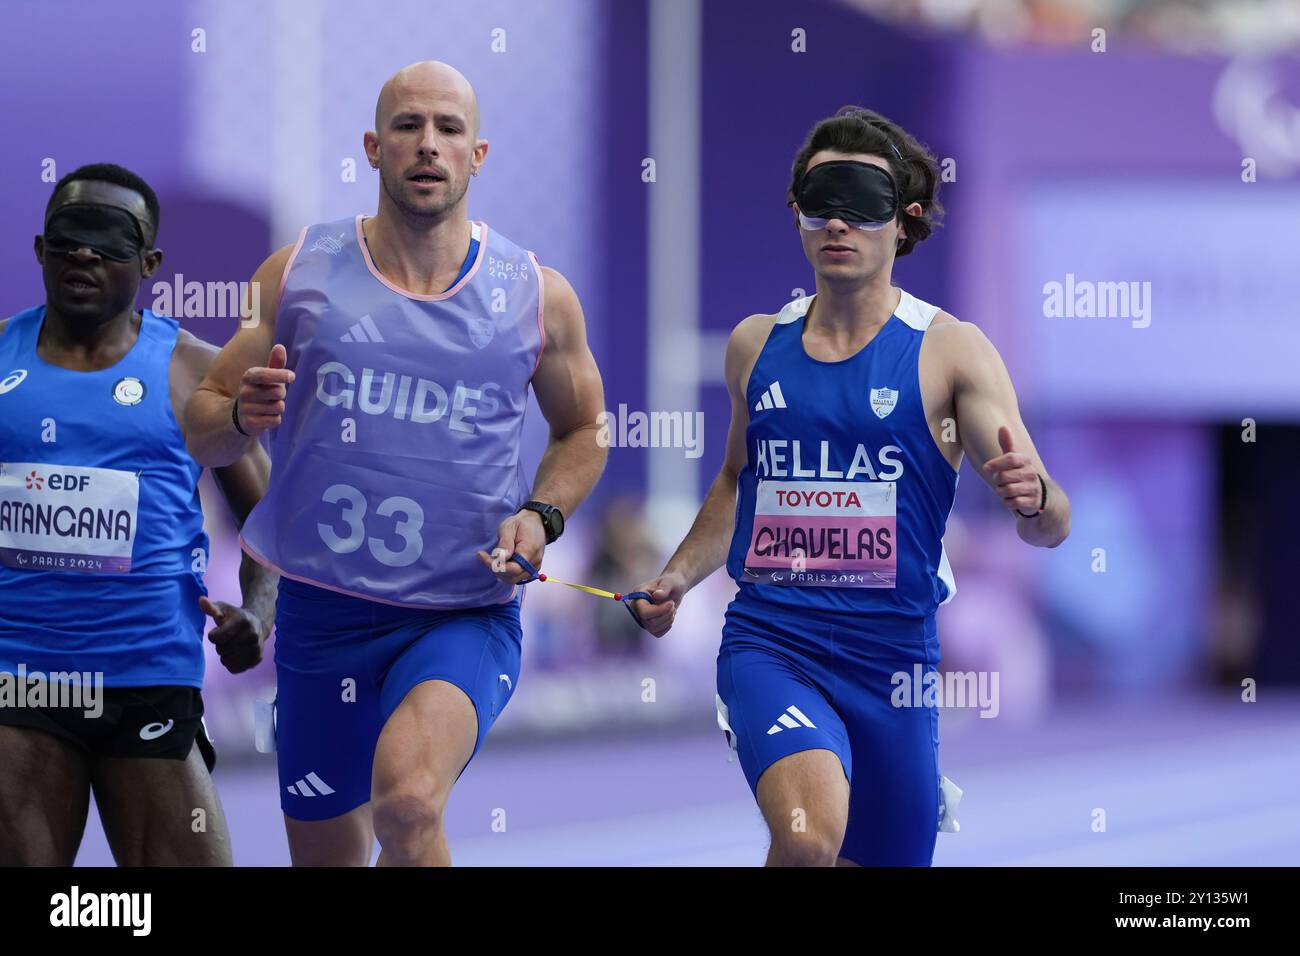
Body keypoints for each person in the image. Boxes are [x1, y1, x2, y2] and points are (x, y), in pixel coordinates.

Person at [185, 61, 607, 866]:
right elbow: (203, 427)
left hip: (460, 612)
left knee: (409, 806)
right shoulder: (294, 272)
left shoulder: (536, 296)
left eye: (449, 129)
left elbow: (587, 429)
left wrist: (542, 515)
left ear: (477, 155)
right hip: (321, 617)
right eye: (409, 127)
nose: (428, 145)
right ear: (374, 148)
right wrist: (240, 415)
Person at [631, 107, 1071, 866]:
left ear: (902, 222)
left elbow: (1051, 524)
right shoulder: (753, 346)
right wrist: (677, 575)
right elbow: (739, 480)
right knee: (809, 839)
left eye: (860, 202)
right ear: (797, 216)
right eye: (818, 200)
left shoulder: (951, 352)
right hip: (774, 641)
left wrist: (1035, 499)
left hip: (895, 663)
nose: (838, 222)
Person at [0, 163, 277, 866]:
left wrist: (259, 615)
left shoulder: (196, 372)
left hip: (149, 679)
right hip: (21, 681)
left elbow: (273, 521)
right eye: (68, 238)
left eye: (109, 241)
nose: (85, 253)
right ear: (39, 250)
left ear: (150, 263)